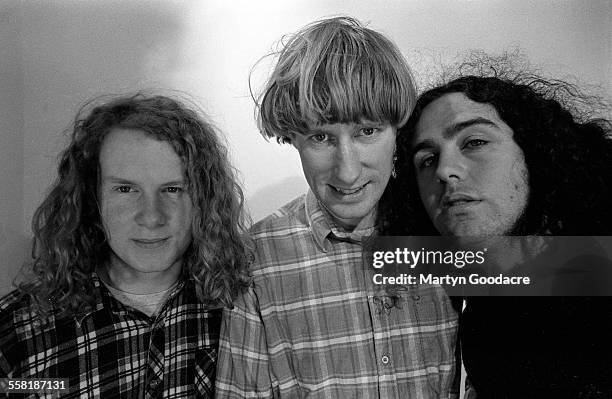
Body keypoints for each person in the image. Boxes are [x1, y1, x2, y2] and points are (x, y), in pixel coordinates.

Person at [215, 16, 461, 398]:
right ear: (291, 139)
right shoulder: (255, 261)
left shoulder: (447, 230)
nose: (347, 172)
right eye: (320, 137)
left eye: (367, 131)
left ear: (399, 130)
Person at [0, 94, 251, 398]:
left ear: (204, 200)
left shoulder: (240, 310)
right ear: (92, 198)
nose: (152, 216)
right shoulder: (18, 331)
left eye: (173, 189)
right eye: (126, 189)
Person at [381, 69, 612, 398]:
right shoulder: (481, 311)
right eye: (428, 159)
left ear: (534, 151)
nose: (446, 170)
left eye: (474, 142)